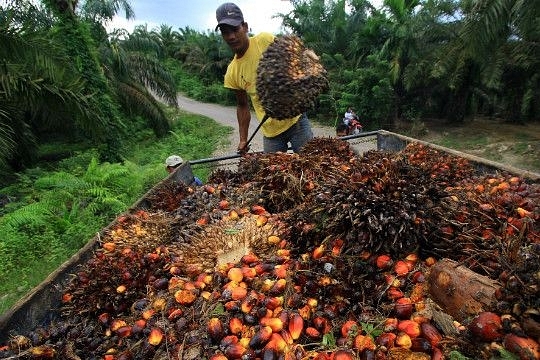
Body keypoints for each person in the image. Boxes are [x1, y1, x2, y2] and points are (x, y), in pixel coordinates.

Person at [216, 2, 314, 154]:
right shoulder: (232, 72)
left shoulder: (264, 40)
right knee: (274, 174)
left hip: (296, 121)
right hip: (271, 133)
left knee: (311, 164)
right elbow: (242, 105)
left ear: (245, 27)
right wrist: (243, 139)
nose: (231, 36)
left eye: (235, 29)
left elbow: (292, 58)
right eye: (225, 32)